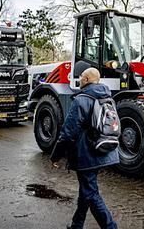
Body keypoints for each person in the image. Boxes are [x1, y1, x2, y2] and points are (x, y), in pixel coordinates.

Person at [50, 67, 119, 229]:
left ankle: (111, 227)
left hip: (87, 154)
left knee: (91, 193)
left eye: (81, 76)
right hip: (103, 149)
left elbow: (67, 133)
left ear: (87, 80)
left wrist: (55, 155)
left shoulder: (82, 100)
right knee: (87, 190)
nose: (79, 78)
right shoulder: (108, 97)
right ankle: (77, 224)